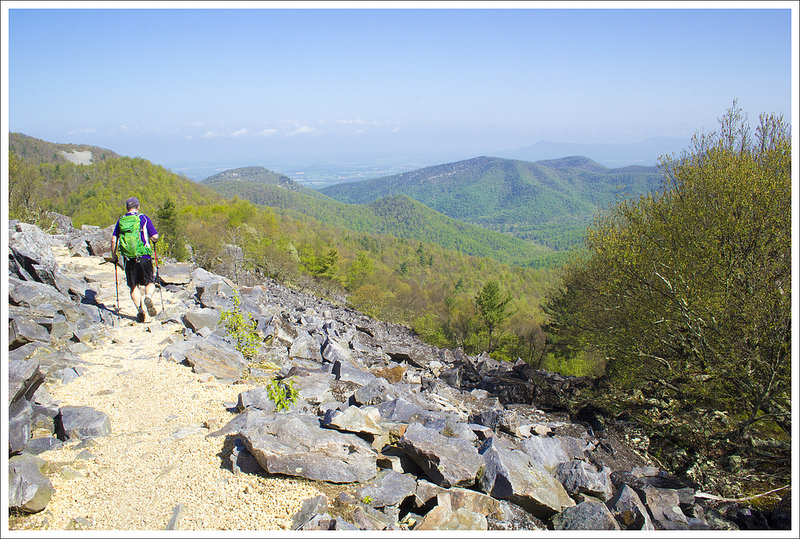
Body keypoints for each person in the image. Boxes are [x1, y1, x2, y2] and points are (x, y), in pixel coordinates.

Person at [111, 197, 160, 322]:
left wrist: (114, 256)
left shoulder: (121, 220)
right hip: (144, 256)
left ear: (127, 208)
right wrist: (154, 239)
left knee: (133, 286)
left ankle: (140, 311)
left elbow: (113, 239)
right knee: (149, 281)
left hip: (129, 259)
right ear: (138, 206)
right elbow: (154, 236)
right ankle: (148, 296)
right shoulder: (143, 218)